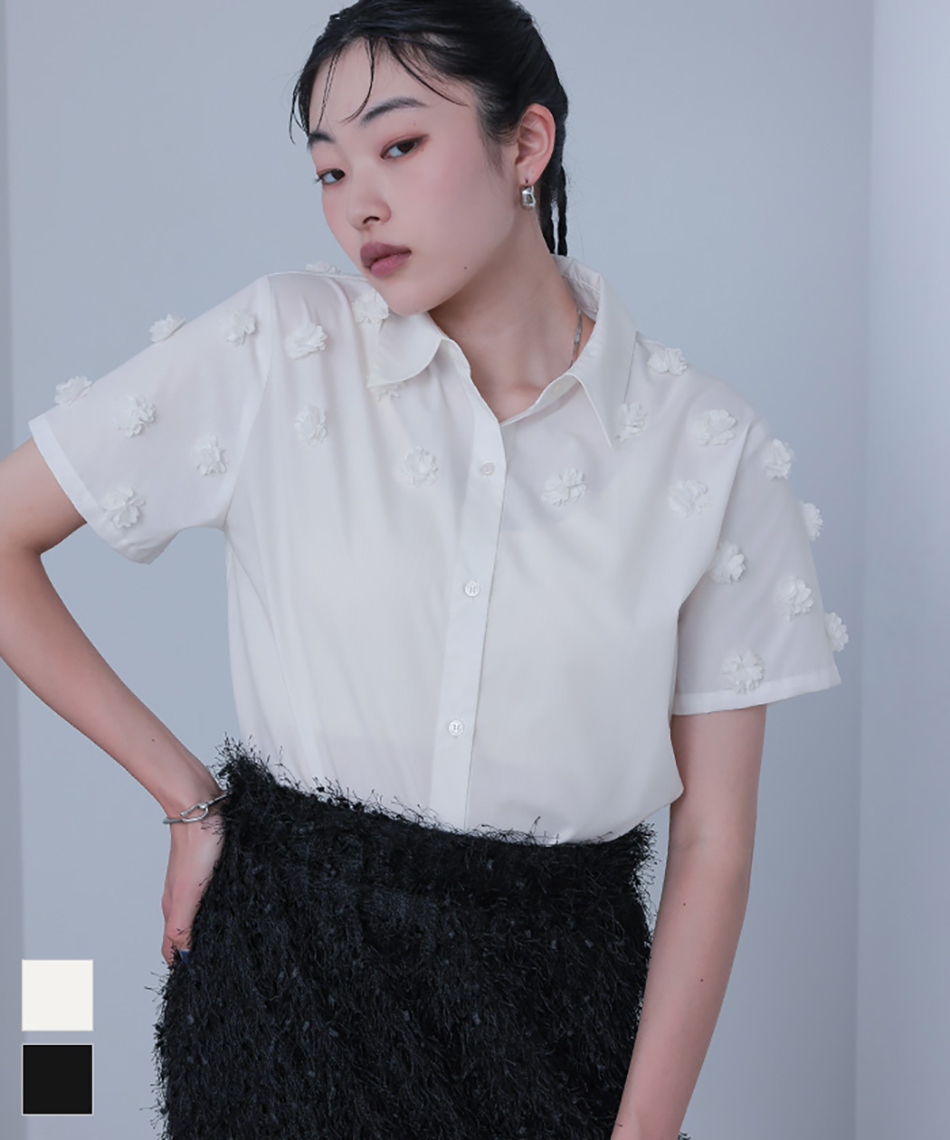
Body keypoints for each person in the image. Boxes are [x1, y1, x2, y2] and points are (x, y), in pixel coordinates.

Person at [0, 1, 847, 1137]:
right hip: (286, 984)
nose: (358, 202)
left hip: (556, 1005)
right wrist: (189, 801)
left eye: (397, 146)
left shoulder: (707, 448)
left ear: (525, 144)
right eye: (329, 169)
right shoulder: (283, 349)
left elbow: (714, 842)